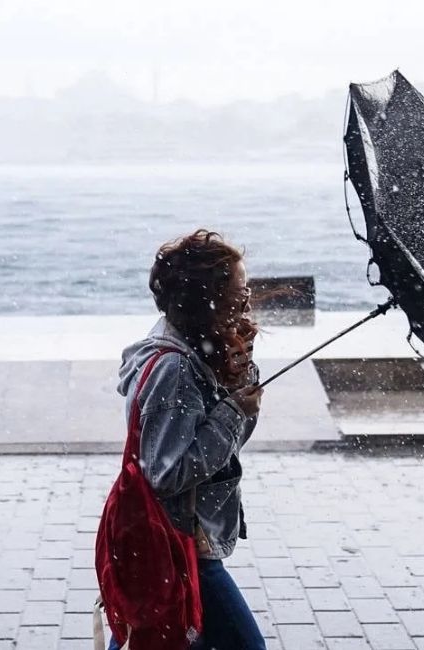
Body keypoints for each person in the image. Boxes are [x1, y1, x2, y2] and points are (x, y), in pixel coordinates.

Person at [109, 229, 266, 650]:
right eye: (238, 290)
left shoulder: (197, 352)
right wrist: (233, 411)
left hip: (176, 541)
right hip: (180, 543)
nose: (247, 300)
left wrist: (239, 378)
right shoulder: (174, 369)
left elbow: (228, 448)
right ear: (206, 299)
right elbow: (167, 471)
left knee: (153, 636)